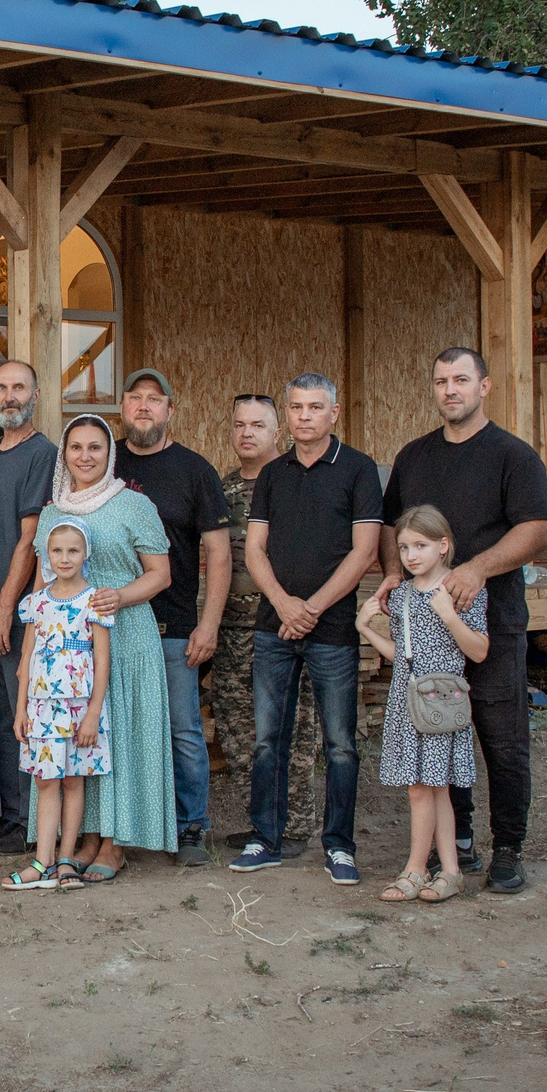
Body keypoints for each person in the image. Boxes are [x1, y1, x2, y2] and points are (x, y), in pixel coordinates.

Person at [380, 348, 547, 894]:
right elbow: (393, 527)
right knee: (438, 735)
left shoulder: (513, 456)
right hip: (428, 635)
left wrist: (478, 568)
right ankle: (457, 844)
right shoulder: (414, 457)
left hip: (492, 623)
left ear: (485, 386)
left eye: (461, 379)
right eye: (441, 381)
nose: (450, 390)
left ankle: (509, 847)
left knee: (502, 740)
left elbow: (538, 531)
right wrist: (393, 576)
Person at [235, 374, 383, 884]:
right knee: (267, 741)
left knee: (340, 743)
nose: (303, 417)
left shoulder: (359, 471)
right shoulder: (272, 475)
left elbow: (364, 552)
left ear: (333, 413)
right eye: (296, 408)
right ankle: (265, 839)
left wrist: (312, 609)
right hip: (273, 629)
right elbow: (255, 549)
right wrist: (282, 605)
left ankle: (339, 846)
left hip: (333, 629)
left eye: (314, 408)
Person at [32, 416, 174, 882]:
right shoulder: (53, 511)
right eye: (76, 447)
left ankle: (114, 842)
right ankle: (85, 837)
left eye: (96, 447)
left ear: (109, 453)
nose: (86, 456)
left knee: (120, 733)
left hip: (126, 635)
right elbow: (42, 582)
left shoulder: (133, 504)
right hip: (65, 650)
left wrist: (121, 595)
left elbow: (160, 574)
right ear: (65, 453)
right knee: (78, 740)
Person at [114, 369, 233, 867]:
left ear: (169, 411)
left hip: (174, 624)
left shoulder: (195, 471)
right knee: (114, 727)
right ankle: (118, 825)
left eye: (154, 400)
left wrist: (208, 624)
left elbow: (220, 555)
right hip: (110, 624)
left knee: (183, 728)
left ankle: (191, 826)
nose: (144, 407)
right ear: (122, 407)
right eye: (136, 398)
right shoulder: (101, 460)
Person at [360, 506, 489, 904]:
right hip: (406, 696)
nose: (411, 555)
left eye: (421, 545)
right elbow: (403, 654)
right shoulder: (400, 597)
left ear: (443, 545)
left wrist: (450, 616)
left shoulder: (460, 589)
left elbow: (480, 651)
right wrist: (364, 627)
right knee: (431, 788)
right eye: (403, 548)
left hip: (441, 700)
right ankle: (450, 872)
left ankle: (416, 869)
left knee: (425, 787)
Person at [211, 395, 319, 853]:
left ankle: (295, 827)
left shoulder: (298, 481)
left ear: (278, 431)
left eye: (257, 425)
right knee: (238, 730)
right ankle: (263, 823)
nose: (247, 433)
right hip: (234, 628)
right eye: (238, 424)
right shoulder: (222, 487)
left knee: (291, 730)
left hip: (283, 626)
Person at [0, 359, 56, 857]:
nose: (9, 396)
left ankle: (29, 821)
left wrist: (5, 610)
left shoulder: (43, 455)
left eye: (18, 387)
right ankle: (10, 814)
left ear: (35, 395)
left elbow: (29, 540)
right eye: (1, 387)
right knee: (1, 716)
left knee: (25, 715)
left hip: (17, 613)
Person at [4, 514, 111, 892]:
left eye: (73, 551)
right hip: (42, 708)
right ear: (47, 555)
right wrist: (21, 710)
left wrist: (94, 712)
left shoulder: (93, 600)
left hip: (79, 708)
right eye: (57, 551)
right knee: (46, 782)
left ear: (85, 554)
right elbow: (27, 661)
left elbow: (102, 660)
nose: (64, 558)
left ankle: (66, 859)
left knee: (72, 780)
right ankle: (43, 862)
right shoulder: (36, 603)